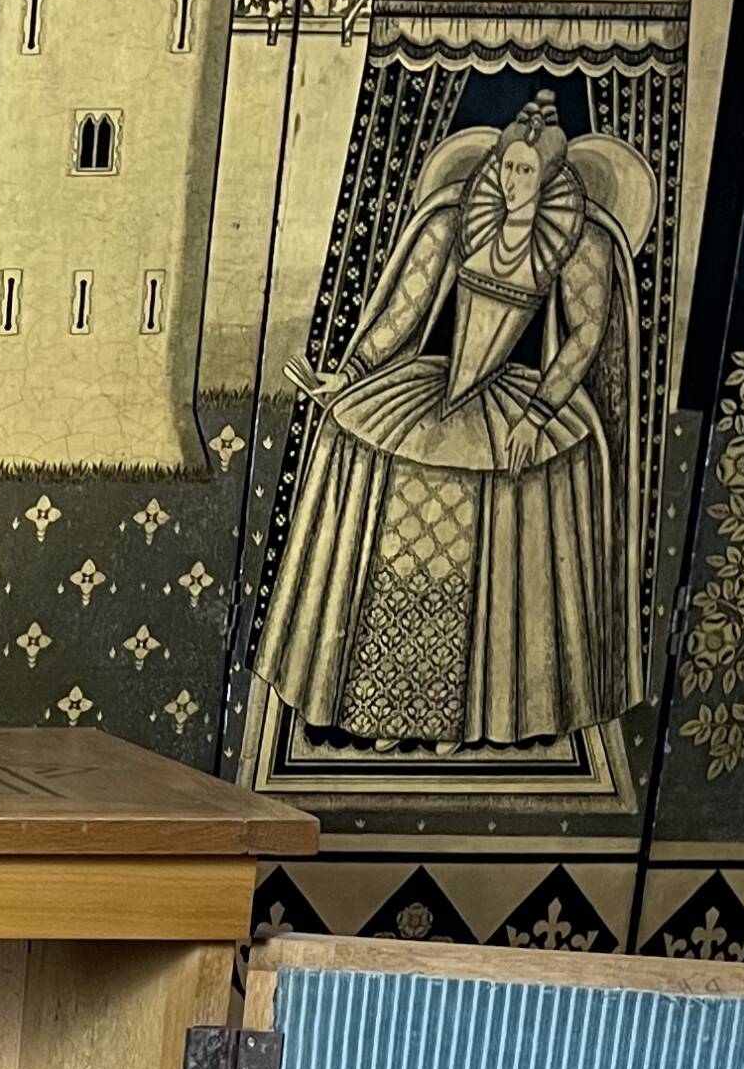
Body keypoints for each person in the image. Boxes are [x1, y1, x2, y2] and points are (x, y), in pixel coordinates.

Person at [251, 96, 655, 751]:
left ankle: (463, 721)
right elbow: (400, 314)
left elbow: (584, 336)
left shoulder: (580, 242)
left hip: (516, 405)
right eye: (507, 167)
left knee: (483, 572)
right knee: (402, 558)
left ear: (551, 178)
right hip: (433, 395)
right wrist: (349, 376)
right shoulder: (454, 221)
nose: (512, 181)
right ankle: (389, 710)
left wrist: (538, 414)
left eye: (526, 172)